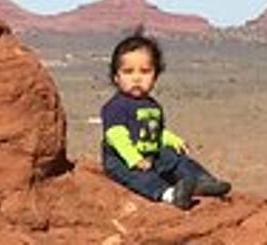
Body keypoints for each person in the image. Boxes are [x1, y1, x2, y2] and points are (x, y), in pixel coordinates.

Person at [99, 31, 231, 209]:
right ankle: (170, 195)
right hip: (122, 160)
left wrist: (172, 140)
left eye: (145, 71)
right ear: (116, 78)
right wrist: (134, 159)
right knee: (139, 177)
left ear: (155, 76)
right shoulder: (116, 106)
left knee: (177, 159)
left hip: (151, 153)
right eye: (128, 72)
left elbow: (156, 132)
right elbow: (116, 137)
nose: (137, 78)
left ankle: (202, 181)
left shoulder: (152, 106)